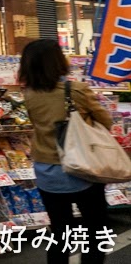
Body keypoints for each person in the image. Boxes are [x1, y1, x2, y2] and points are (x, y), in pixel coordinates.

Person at [19, 39, 112, 264]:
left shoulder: (29, 95)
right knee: (94, 230)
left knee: (60, 231)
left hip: (47, 172)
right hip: (82, 167)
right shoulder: (77, 90)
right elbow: (106, 121)